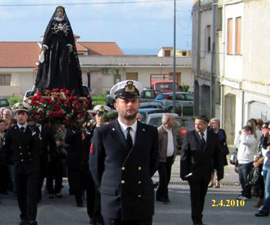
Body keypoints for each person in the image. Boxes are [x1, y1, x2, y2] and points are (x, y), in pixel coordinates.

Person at [90, 80, 158, 225]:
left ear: (139, 104)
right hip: (114, 202)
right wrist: (110, 187)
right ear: (116, 105)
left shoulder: (150, 133)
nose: (130, 105)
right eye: (125, 101)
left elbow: (153, 164)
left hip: (141, 202)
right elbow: (96, 167)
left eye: (134, 101)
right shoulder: (103, 133)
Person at [181, 115, 224, 225]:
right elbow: (184, 155)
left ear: (206, 124)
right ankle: (197, 221)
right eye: (195, 124)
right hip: (193, 173)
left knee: (201, 198)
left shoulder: (213, 136)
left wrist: (220, 172)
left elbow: (218, 155)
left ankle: (198, 216)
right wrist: (183, 173)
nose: (197, 126)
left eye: (199, 124)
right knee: (195, 199)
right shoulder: (189, 135)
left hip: (206, 173)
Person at [3, 102, 42, 225]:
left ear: (27, 116)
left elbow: (39, 148)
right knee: (20, 193)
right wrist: (12, 162)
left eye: (23, 113)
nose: (20, 116)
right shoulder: (11, 131)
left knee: (31, 193)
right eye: (18, 113)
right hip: (18, 166)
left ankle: (32, 218)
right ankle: (24, 216)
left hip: (31, 167)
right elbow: (6, 149)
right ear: (15, 116)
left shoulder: (33, 130)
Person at [34, 6, 83, 94]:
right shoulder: (52, 22)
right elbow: (47, 35)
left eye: (61, 11)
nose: (60, 13)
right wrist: (45, 45)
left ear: (63, 13)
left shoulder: (66, 23)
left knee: (63, 65)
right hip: (53, 47)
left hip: (63, 47)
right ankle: (50, 85)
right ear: (56, 12)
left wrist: (70, 45)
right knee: (52, 65)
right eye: (58, 11)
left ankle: (64, 86)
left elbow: (70, 36)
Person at [156, 113, 178, 203]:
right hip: (161, 159)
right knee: (164, 177)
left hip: (169, 158)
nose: (174, 121)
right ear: (166, 122)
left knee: (167, 178)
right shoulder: (159, 131)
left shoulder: (172, 130)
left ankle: (159, 194)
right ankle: (164, 196)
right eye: (172, 120)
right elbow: (156, 146)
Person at [234, 125, 258, 200]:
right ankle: (244, 192)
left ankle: (247, 194)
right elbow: (236, 144)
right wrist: (238, 135)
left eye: (245, 131)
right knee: (241, 179)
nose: (243, 133)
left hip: (247, 161)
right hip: (241, 161)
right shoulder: (243, 138)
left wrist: (243, 134)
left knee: (246, 178)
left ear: (249, 132)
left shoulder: (252, 139)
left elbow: (244, 142)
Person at [255, 121, 270, 217]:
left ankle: (266, 209)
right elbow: (264, 146)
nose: (268, 130)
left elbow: (269, 153)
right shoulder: (269, 138)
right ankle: (269, 208)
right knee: (269, 189)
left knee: (268, 189)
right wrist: (265, 135)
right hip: (267, 165)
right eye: (267, 128)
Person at [208, 118, 229, 188]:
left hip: (219, 153)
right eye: (211, 123)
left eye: (214, 123)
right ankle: (210, 181)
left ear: (218, 124)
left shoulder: (221, 131)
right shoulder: (209, 130)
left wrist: (214, 139)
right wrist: (208, 127)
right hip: (211, 152)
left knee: (219, 168)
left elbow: (222, 139)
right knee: (210, 167)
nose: (212, 125)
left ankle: (217, 181)